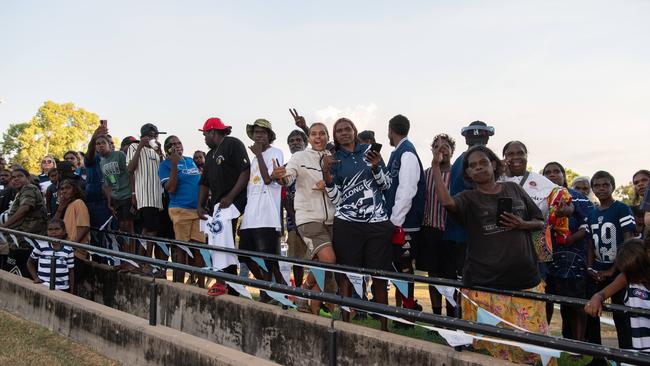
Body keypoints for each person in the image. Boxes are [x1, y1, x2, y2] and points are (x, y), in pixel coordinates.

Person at [430, 144, 547, 364]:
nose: (479, 168)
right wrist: (436, 166)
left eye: (483, 162)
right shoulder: (468, 198)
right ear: (468, 174)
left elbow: (539, 221)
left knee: (534, 351)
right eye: (472, 166)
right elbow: (447, 202)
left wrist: (522, 224)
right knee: (493, 352)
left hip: (526, 284)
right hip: (485, 287)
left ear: (493, 164)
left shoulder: (514, 190)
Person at [323, 117, 393, 331]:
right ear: (335, 136)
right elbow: (336, 198)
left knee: (380, 276)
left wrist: (375, 168)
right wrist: (326, 174)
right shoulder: (333, 159)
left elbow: (387, 185)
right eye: (339, 131)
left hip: (377, 223)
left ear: (354, 131)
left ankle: (384, 327)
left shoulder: (370, 151)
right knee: (345, 274)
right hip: (347, 223)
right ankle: (345, 325)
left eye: (347, 129)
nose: (344, 133)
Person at [272, 122, 337, 314]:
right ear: (309, 138)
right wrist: (281, 177)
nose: (318, 137)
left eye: (322, 133)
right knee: (328, 259)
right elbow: (288, 177)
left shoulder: (333, 158)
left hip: (332, 220)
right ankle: (302, 290)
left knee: (323, 268)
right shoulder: (299, 157)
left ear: (327, 137)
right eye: (314, 134)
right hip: (307, 218)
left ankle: (312, 312)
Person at [542, 162, 594, 341]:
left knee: (574, 304)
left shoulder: (577, 197)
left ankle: (577, 345)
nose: (552, 175)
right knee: (545, 300)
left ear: (564, 175)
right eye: (547, 172)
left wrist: (572, 238)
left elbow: (590, 224)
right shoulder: (539, 195)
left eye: (556, 171)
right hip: (545, 257)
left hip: (573, 258)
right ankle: (544, 341)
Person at [198, 117, 250, 293]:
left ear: (212, 132)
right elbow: (204, 183)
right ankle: (225, 281)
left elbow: (245, 171)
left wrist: (231, 196)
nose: (204, 138)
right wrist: (200, 205)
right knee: (214, 240)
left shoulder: (232, 144)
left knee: (222, 238)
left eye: (205, 134)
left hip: (234, 201)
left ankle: (227, 282)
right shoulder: (210, 154)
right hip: (218, 206)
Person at [585, 170, 635, 349]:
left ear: (612, 186)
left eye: (605, 184)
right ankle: (597, 355)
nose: (601, 188)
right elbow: (590, 243)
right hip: (598, 268)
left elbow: (628, 241)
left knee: (621, 314)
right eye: (597, 185)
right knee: (591, 311)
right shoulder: (591, 213)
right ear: (592, 189)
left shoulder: (621, 208)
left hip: (620, 269)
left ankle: (626, 354)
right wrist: (590, 267)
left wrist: (614, 269)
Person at [238, 119, 285, 298]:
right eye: (256, 132)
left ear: (269, 136)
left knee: (269, 260)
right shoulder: (252, 159)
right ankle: (271, 288)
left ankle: (270, 293)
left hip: (267, 215)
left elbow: (268, 179)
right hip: (251, 214)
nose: (259, 135)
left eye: (263, 132)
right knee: (245, 255)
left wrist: (258, 155)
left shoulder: (276, 152)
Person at [383, 115, 425, 314]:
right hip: (399, 221)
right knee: (398, 268)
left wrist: (394, 222)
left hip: (404, 223)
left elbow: (407, 190)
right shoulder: (398, 152)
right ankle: (404, 310)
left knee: (404, 268)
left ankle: (409, 313)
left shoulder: (407, 154)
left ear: (391, 130)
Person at [443, 121, 494, 281]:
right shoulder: (470, 162)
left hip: (463, 232)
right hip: (469, 234)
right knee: (469, 280)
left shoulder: (462, 160)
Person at [584, 238, 650, 353]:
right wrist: (597, 298)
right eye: (631, 275)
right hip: (641, 349)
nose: (636, 279)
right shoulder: (627, 278)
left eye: (638, 273)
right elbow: (603, 293)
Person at [417, 133, 457, 317]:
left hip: (452, 232)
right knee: (433, 276)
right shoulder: (425, 174)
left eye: (445, 147)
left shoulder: (458, 174)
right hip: (430, 229)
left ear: (451, 151)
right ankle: (435, 316)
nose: (441, 150)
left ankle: (452, 316)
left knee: (451, 277)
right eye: (437, 147)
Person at [159, 135, 206, 285]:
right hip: (180, 209)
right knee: (182, 248)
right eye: (173, 144)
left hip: (197, 210)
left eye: (179, 142)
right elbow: (170, 188)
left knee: (199, 248)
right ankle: (178, 285)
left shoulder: (190, 160)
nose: (177, 145)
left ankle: (200, 285)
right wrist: (174, 165)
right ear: (167, 149)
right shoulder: (165, 165)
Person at [127, 123, 166, 261]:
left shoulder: (156, 151)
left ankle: (143, 260)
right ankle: (144, 260)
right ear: (143, 136)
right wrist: (140, 146)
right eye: (151, 136)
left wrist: (160, 153)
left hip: (158, 196)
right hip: (144, 195)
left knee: (151, 229)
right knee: (149, 229)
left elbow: (163, 170)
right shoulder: (134, 146)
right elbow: (130, 169)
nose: (154, 138)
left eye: (155, 136)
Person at [0, 169, 48, 276]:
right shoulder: (21, 191)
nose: (16, 179)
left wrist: (4, 226)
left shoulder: (29, 188)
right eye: (13, 177)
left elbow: (25, 209)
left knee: (22, 274)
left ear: (28, 178)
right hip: (20, 240)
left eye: (20, 176)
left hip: (28, 240)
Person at [97, 134, 135, 253]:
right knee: (122, 227)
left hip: (127, 195)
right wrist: (110, 202)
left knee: (129, 227)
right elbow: (108, 184)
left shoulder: (119, 155)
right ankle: (125, 256)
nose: (100, 146)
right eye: (97, 144)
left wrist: (134, 193)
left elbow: (130, 174)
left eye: (103, 143)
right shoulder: (102, 162)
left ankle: (132, 258)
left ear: (110, 144)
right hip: (116, 198)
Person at [282, 128, 309, 287]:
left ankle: (318, 297)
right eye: (291, 141)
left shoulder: (314, 163)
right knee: (297, 261)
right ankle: (299, 293)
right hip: (294, 223)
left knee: (320, 261)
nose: (295, 143)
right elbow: (285, 198)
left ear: (306, 143)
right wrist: (296, 220)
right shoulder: (285, 167)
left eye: (299, 140)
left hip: (316, 218)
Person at [53, 179, 90, 292]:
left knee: (69, 287)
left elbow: (84, 227)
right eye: (62, 189)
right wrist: (60, 209)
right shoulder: (67, 206)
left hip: (75, 253)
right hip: (64, 251)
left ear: (74, 190)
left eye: (67, 188)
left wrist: (72, 246)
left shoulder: (78, 203)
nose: (64, 191)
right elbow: (52, 225)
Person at [84, 126, 114, 253]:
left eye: (106, 142)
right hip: (94, 204)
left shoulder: (115, 160)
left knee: (110, 240)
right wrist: (94, 137)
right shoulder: (92, 159)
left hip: (110, 205)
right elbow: (90, 154)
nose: (101, 145)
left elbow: (112, 182)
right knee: (96, 241)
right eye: (98, 143)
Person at [26, 219, 75, 292]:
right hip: (44, 286)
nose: (53, 232)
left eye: (57, 229)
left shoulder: (68, 249)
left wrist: (72, 290)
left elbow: (71, 270)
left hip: (63, 288)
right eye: (50, 229)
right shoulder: (41, 247)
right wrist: (35, 278)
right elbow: (30, 263)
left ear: (64, 231)